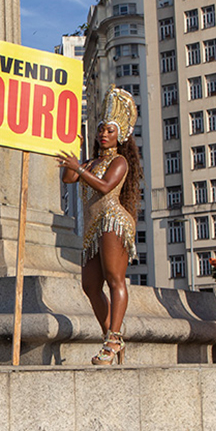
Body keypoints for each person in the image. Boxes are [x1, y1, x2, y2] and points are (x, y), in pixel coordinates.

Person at [56, 85, 142, 365]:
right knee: (90, 285)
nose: (103, 135)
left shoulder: (120, 161)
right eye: (102, 130)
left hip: (112, 222)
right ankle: (111, 337)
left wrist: (79, 169)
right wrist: (73, 150)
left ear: (121, 136)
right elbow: (69, 178)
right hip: (93, 229)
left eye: (110, 131)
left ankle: (114, 338)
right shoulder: (91, 162)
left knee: (115, 280)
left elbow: (105, 187)